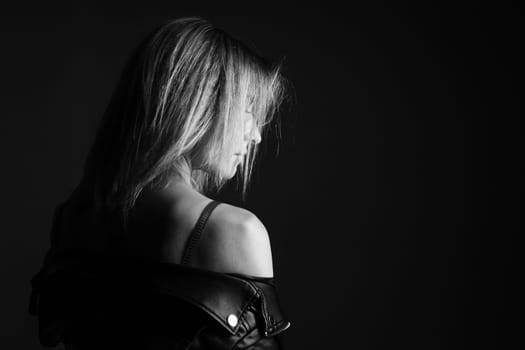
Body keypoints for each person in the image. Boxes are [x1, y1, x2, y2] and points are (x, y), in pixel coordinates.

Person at [28, 17, 291, 349]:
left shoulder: (72, 216)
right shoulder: (234, 231)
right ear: (197, 103)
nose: (255, 136)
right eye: (249, 110)